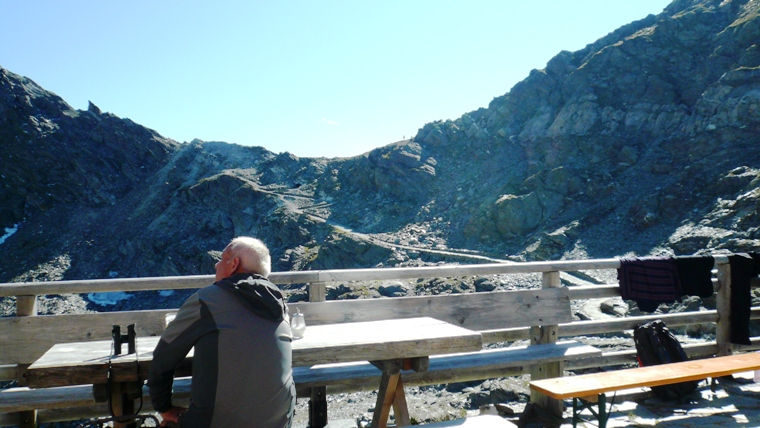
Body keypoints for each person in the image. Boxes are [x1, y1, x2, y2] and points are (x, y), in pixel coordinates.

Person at [147, 237, 295, 427]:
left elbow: (163, 357)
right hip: (280, 421)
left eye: (222, 258)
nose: (216, 264)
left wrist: (164, 407)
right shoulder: (280, 303)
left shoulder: (208, 299)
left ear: (234, 264)